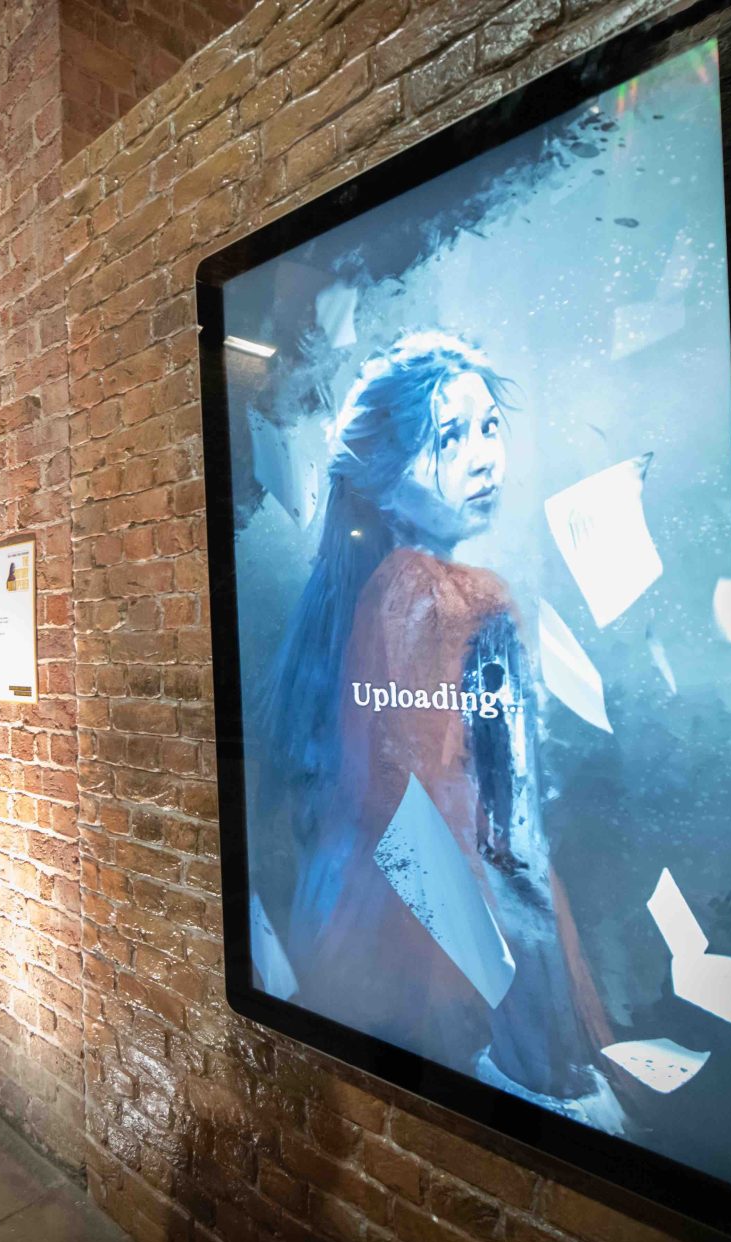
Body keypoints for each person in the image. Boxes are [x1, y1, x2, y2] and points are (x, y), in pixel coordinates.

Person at [259, 332, 623, 1124]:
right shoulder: (459, 598)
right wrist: (545, 1050)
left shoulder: (357, 594)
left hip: (361, 929)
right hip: (450, 945)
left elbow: (364, 804)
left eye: (489, 426)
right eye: (449, 438)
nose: (483, 456)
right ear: (385, 480)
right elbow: (505, 839)